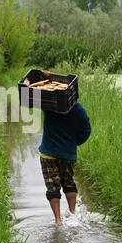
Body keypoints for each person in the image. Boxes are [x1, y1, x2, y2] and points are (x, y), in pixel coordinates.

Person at [39, 71, 91, 225]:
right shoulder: (78, 109)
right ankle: (73, 214)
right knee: (68, 182)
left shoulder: (49, 105)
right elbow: (86, 130)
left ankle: (57, 220)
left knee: (52, 186)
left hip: (48, 153)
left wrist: (45, 78)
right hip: (68, 154)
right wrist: (74, 143)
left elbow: (35, 95)